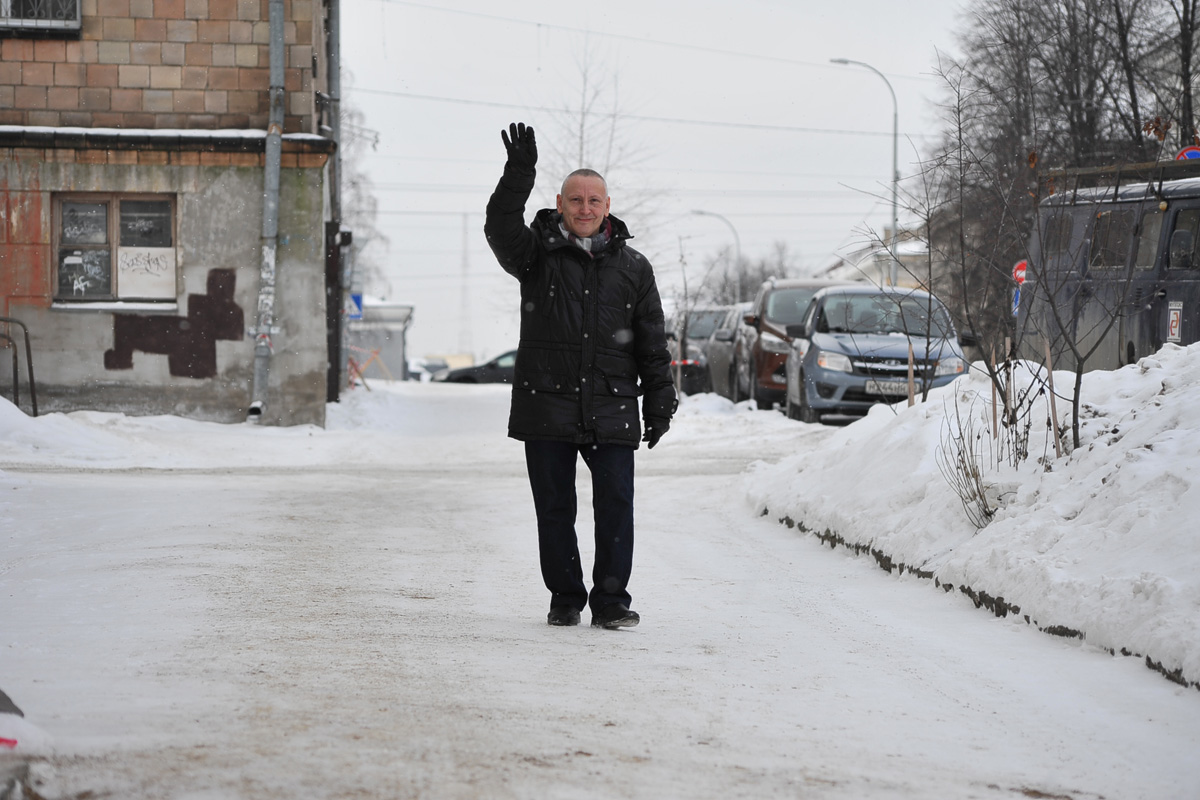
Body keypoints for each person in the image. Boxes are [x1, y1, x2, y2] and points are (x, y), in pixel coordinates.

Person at [484, 122, 677, 630]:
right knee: (555, 508)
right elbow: (500, 225)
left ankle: (612, 600)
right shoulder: (535, 257)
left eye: (594, 200)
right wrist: (517, 172)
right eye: (576, 200)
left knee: (616, 506)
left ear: (608, 205)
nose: (585, 208)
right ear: (560, 203)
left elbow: (653, 343)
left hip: (611, 403)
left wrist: (660, 401)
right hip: (546, 400)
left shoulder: (635, 268)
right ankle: (565, 597)